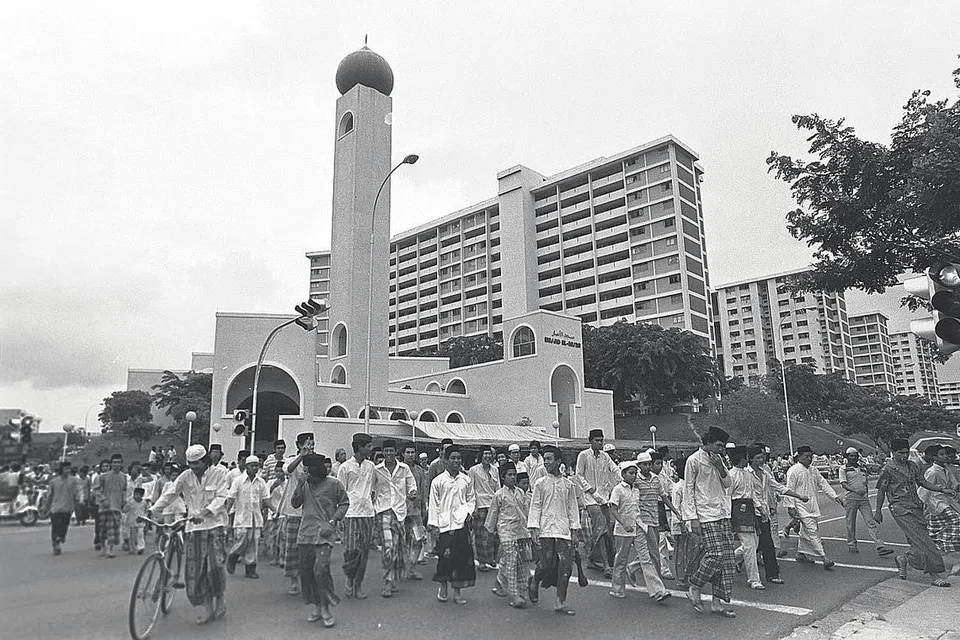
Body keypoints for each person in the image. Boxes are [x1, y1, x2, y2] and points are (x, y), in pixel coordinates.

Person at [151, 444, 230, 624]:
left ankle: (220, 599)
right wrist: (154, 509)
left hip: (215, 525)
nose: (194, 467)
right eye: (191, 464)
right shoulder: (185, 476)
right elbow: (171, 493)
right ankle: (208, 608)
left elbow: (222, 497)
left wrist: (205, 512)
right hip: (193, 529)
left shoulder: (219, 474)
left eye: (197, 463)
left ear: (205, 461)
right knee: (196, 574)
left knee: (215, 567)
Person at [876, 438, 957, 586]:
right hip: (900, 509)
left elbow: (923, 482)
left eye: (907, 452)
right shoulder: (888, 469)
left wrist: (941, 489)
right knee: (923, 540)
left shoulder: (912, 466)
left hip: (915, 506)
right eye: (901, 453)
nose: (904, 456)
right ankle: (935, 575)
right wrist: (878, 511)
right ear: (893, 452)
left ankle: (904, 559)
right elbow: (881, 490)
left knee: (918, 539)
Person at [683, 426, 737, 618]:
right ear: (707, 443)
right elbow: (688, 489)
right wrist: (692, 517)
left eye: (722, 446)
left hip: (723, 512)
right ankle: (695, 584)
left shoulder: (720, 459)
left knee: (727, 560)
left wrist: (721, 467)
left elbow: (728, 483)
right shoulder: (693, 460)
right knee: (715, 554)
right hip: (705, 514)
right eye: (718, 445)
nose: (721, 449)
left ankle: (717, 602)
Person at [292, 453, 349, 627]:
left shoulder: (334, 484)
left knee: (320, 570)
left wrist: (334, 519)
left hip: (324, 534)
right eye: (305, 471)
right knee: (307, 572)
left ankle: (326, 607)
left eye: (309, 472)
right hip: (305, 534)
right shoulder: (304, 484)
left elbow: (345, 503)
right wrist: (300, 484)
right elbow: (295, 504)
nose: (307, 475)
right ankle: (316, 606)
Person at [608, 458, 671, 602]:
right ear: (623, 474)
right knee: (621, 559)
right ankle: (617, 589)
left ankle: (658, 590)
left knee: (646, 558)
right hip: (623, 530)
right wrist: (623, 522)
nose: (633, 476)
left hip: (638, 526)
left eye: (635, 473)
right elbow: (613, 508)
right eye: (630, 473)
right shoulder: (618, 490)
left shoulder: (636, 490)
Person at [528, 445, 581, 615]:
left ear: (559, 461)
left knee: (566, 567)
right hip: (545, 530)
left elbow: (573, 508)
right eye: (545, 459)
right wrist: (534, 528)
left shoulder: (568, 485)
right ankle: (535, 581)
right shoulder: (540, 483)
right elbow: (535, 505)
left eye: (550, 459)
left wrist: (575, 530)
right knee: (545, 564)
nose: (546, 462)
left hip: (564, 530)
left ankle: (560, 602)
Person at [747, 446, 806, 585]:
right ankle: (738, 561)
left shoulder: (765, 473)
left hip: (764, 513)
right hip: (751, 513)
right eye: (758, 458)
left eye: (763, 457)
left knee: (766, 544)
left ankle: (772, 574)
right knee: (752, 545)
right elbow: (749, 494)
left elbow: (779, 487)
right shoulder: (746, 474)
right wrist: (760, 508)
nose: (762, 460)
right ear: (750, 459)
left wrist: (798, 496)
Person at [429, 444, 476, 605]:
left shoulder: (466, 479)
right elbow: (434, 504)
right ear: (446, 460)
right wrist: (434, 525)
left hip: (461, 524)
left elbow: (471, 499)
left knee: (462, 559)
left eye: (458, 458)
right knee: (444, 558)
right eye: (453, 458)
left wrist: (469, 513)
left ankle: (457, 591)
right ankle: (443, 587)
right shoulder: (438, 481)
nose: (456, 461)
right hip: (444, 525)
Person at [785, 445, 843, 570]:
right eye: (805, 456)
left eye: (810, 456)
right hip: (800, 506)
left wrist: (834, 496)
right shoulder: (793, 470)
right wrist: (790, 506)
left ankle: (800, 554)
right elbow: (788, 489)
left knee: (806, 531)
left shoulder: (813, 470)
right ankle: (824, 558)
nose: (808, 459)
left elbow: (823, 484)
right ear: (799, 457)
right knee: (812, 531)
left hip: (812, 505)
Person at [372, 439, 417, 597]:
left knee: (397, 546)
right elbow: (372, 489)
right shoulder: (376, 469)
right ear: (383, 452)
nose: (389, 453)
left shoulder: (404, 469)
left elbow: (412, 485)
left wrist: (412, 493)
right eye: (386, 451)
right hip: (383, 511)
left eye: (391, 451)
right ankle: (388, 582)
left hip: (399, 512)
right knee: (388, 547)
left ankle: (392, 577)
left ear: (395, 452)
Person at [486, 461, 533, 609]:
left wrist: (529, 530)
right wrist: (490, 532)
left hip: (519, 531)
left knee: (512, 560)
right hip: (505, 531)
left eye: (514, 475)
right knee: (512, 560)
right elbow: (493, 514)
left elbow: (525, 513)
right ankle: (514, 595)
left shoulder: (520, 493)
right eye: (509, 475)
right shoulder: (499, 495)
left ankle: (499, 583)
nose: (513, 478)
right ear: (503, 477)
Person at [337, 433, 378, 599]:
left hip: (367, 513)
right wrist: (339, 516)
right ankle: (349, 578)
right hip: (350, 513)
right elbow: (339, 492)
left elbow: (374, 487)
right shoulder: (345, 467)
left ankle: (358, 584)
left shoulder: (371, 466)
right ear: (360, 447)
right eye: (368, 446)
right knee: (351, 549)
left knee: (364, 551)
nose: (370, 449)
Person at [576, 429, 617, 578]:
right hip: (590, 498)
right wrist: (590, 489)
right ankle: (606, 565)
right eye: (597, 440)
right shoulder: (583, 455)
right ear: (590, 440)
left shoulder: (605, 457)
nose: (600, 443)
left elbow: (615, 471)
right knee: (602, 528)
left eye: (601, 440)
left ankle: (592, 558)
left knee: (607, 528)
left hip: (604, 498)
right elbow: (578, 475)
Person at [839, 447, 892, 556]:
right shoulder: (843, 469)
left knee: (871, 521)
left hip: (863, 499)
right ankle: (852, 544)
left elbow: (865, 483)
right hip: (851, 498)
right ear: (847, 457)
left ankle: (879, 546)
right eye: (851, 456)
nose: (854, 458)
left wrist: (865, 493)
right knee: (850, 523)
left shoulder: (862, 469)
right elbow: (843, 483)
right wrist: (855, 490)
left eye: (855, 456)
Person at [279, 433, 313, 595]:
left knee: (309, 547)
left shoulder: (316, 461)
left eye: (312, 444)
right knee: (292, 547)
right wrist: (301, 456)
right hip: (294, 511)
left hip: (311, 511)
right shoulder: (291, 460)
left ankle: (307, 578)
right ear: (298, 445)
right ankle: (294, 579)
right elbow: (289, 469)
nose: (310, 447)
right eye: (307, 444)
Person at [226, 455, 270, 579]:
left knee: (253, 544)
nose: (255, 468)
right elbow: (231, 498)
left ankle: (250, 569)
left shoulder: (261, 482)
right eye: (252, 466)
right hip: (242, 517)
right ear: (246, 467)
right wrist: (225, 513)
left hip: (256, 517)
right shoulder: (238, 481)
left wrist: (275, 509)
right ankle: (233, 556)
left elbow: (266, 499)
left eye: (257, 466)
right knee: (242, 541)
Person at [728, 447, 763, 589]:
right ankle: (754, 579)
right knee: (749, 546)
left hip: (750, 510)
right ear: (741, 458)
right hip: (738, 511)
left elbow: (752, 494)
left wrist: (759, 507)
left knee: (754, 544)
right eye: (746, 457)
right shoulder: (731, 475)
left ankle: (728, 561)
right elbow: (727, 496)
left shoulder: (748, 474)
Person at [920, 446, 960, 571]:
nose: (945, 457)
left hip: (948, 500)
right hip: (937, 502)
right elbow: (924, 489)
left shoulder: (946, 469)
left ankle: (939, 542)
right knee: (956, 520)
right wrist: (921, 504)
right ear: (934, 457)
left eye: (945, 455)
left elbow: (954, 484)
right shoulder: (932, 472)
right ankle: (942, 542)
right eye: (941, 454)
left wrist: (955, 489)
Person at [468, 446, 501, 572]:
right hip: (480, 505)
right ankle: (482, 561)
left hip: (493, 505)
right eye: (485, 454)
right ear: (481, 455)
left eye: (489, 454)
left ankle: (491, 558)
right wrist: (473, 508)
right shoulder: (473, 470)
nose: (487, 456)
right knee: (481, 535)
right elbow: (471, 489)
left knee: (495, 534)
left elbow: (498, 488)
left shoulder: (495, 470)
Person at [92, 453, 127, 558]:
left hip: (116, 506)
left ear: (121, 464)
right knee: (103, 529)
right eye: (115, 462)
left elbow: (124, 490)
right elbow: (96, 490)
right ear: (111, 463)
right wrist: (103, 499)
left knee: (113, 529)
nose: (116, 464)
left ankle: (110, 548)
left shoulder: (124, 477)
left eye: (119, 462)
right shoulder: (103, 477)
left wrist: (124, 501)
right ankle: (103, 548)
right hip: (104, 507)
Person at [402, 443, 428, 576]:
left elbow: (423, 489)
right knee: (403, 540)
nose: (410, 455)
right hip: (401, 511)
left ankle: (412, 567)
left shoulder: (419, 470)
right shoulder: (399, 469)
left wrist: (424, 506)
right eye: (408, 452)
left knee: (419, 539)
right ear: (403, 454)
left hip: (416, 511)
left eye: (412, 452)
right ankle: (402, 566)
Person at [48, 461, 80, 555]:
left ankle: (61, 537)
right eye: (66, 468)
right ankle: (56, 545)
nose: (68, 470)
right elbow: (50, 495)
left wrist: (78, 501)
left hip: (67, 507)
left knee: (64, 526)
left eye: (69, 468)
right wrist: (46, 507)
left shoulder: (74, 480)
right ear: (61, 469)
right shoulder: (53, 481)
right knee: (56, 526)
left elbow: (77, 492)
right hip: (55, 507)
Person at [123, 487, 148, 554]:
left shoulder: (144, 503)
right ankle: (132, 548)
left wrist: (146, 518)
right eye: (135, 494)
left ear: (142, 496)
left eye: (137, 495)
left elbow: (146, 511)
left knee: (140, 534)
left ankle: (141, 547)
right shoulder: (131, 502)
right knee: (132, 536)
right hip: (132, 521)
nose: (135, 496)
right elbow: (125, 510)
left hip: (141, 521)